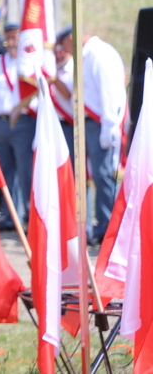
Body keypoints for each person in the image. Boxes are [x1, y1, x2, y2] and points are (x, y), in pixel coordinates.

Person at [62, 27, 127, 245]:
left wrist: (109, 125)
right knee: (91, 175)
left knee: (103, 175)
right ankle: (98, 225)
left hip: (99, 121)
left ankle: (110, 225)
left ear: (71, 39)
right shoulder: (88, 54)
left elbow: (109, 91)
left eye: (64, 46)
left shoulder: (98, 53)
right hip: (89, 122)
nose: (64, 51)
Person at [0, 23, 34, 230]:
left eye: (15, 38)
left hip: (23, 123)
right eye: (9, 38)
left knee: (25, 171)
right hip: (0, 122)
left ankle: (29, 215)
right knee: (4, 172)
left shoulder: (29, 63)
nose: (11, 43)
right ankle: (10, 216)